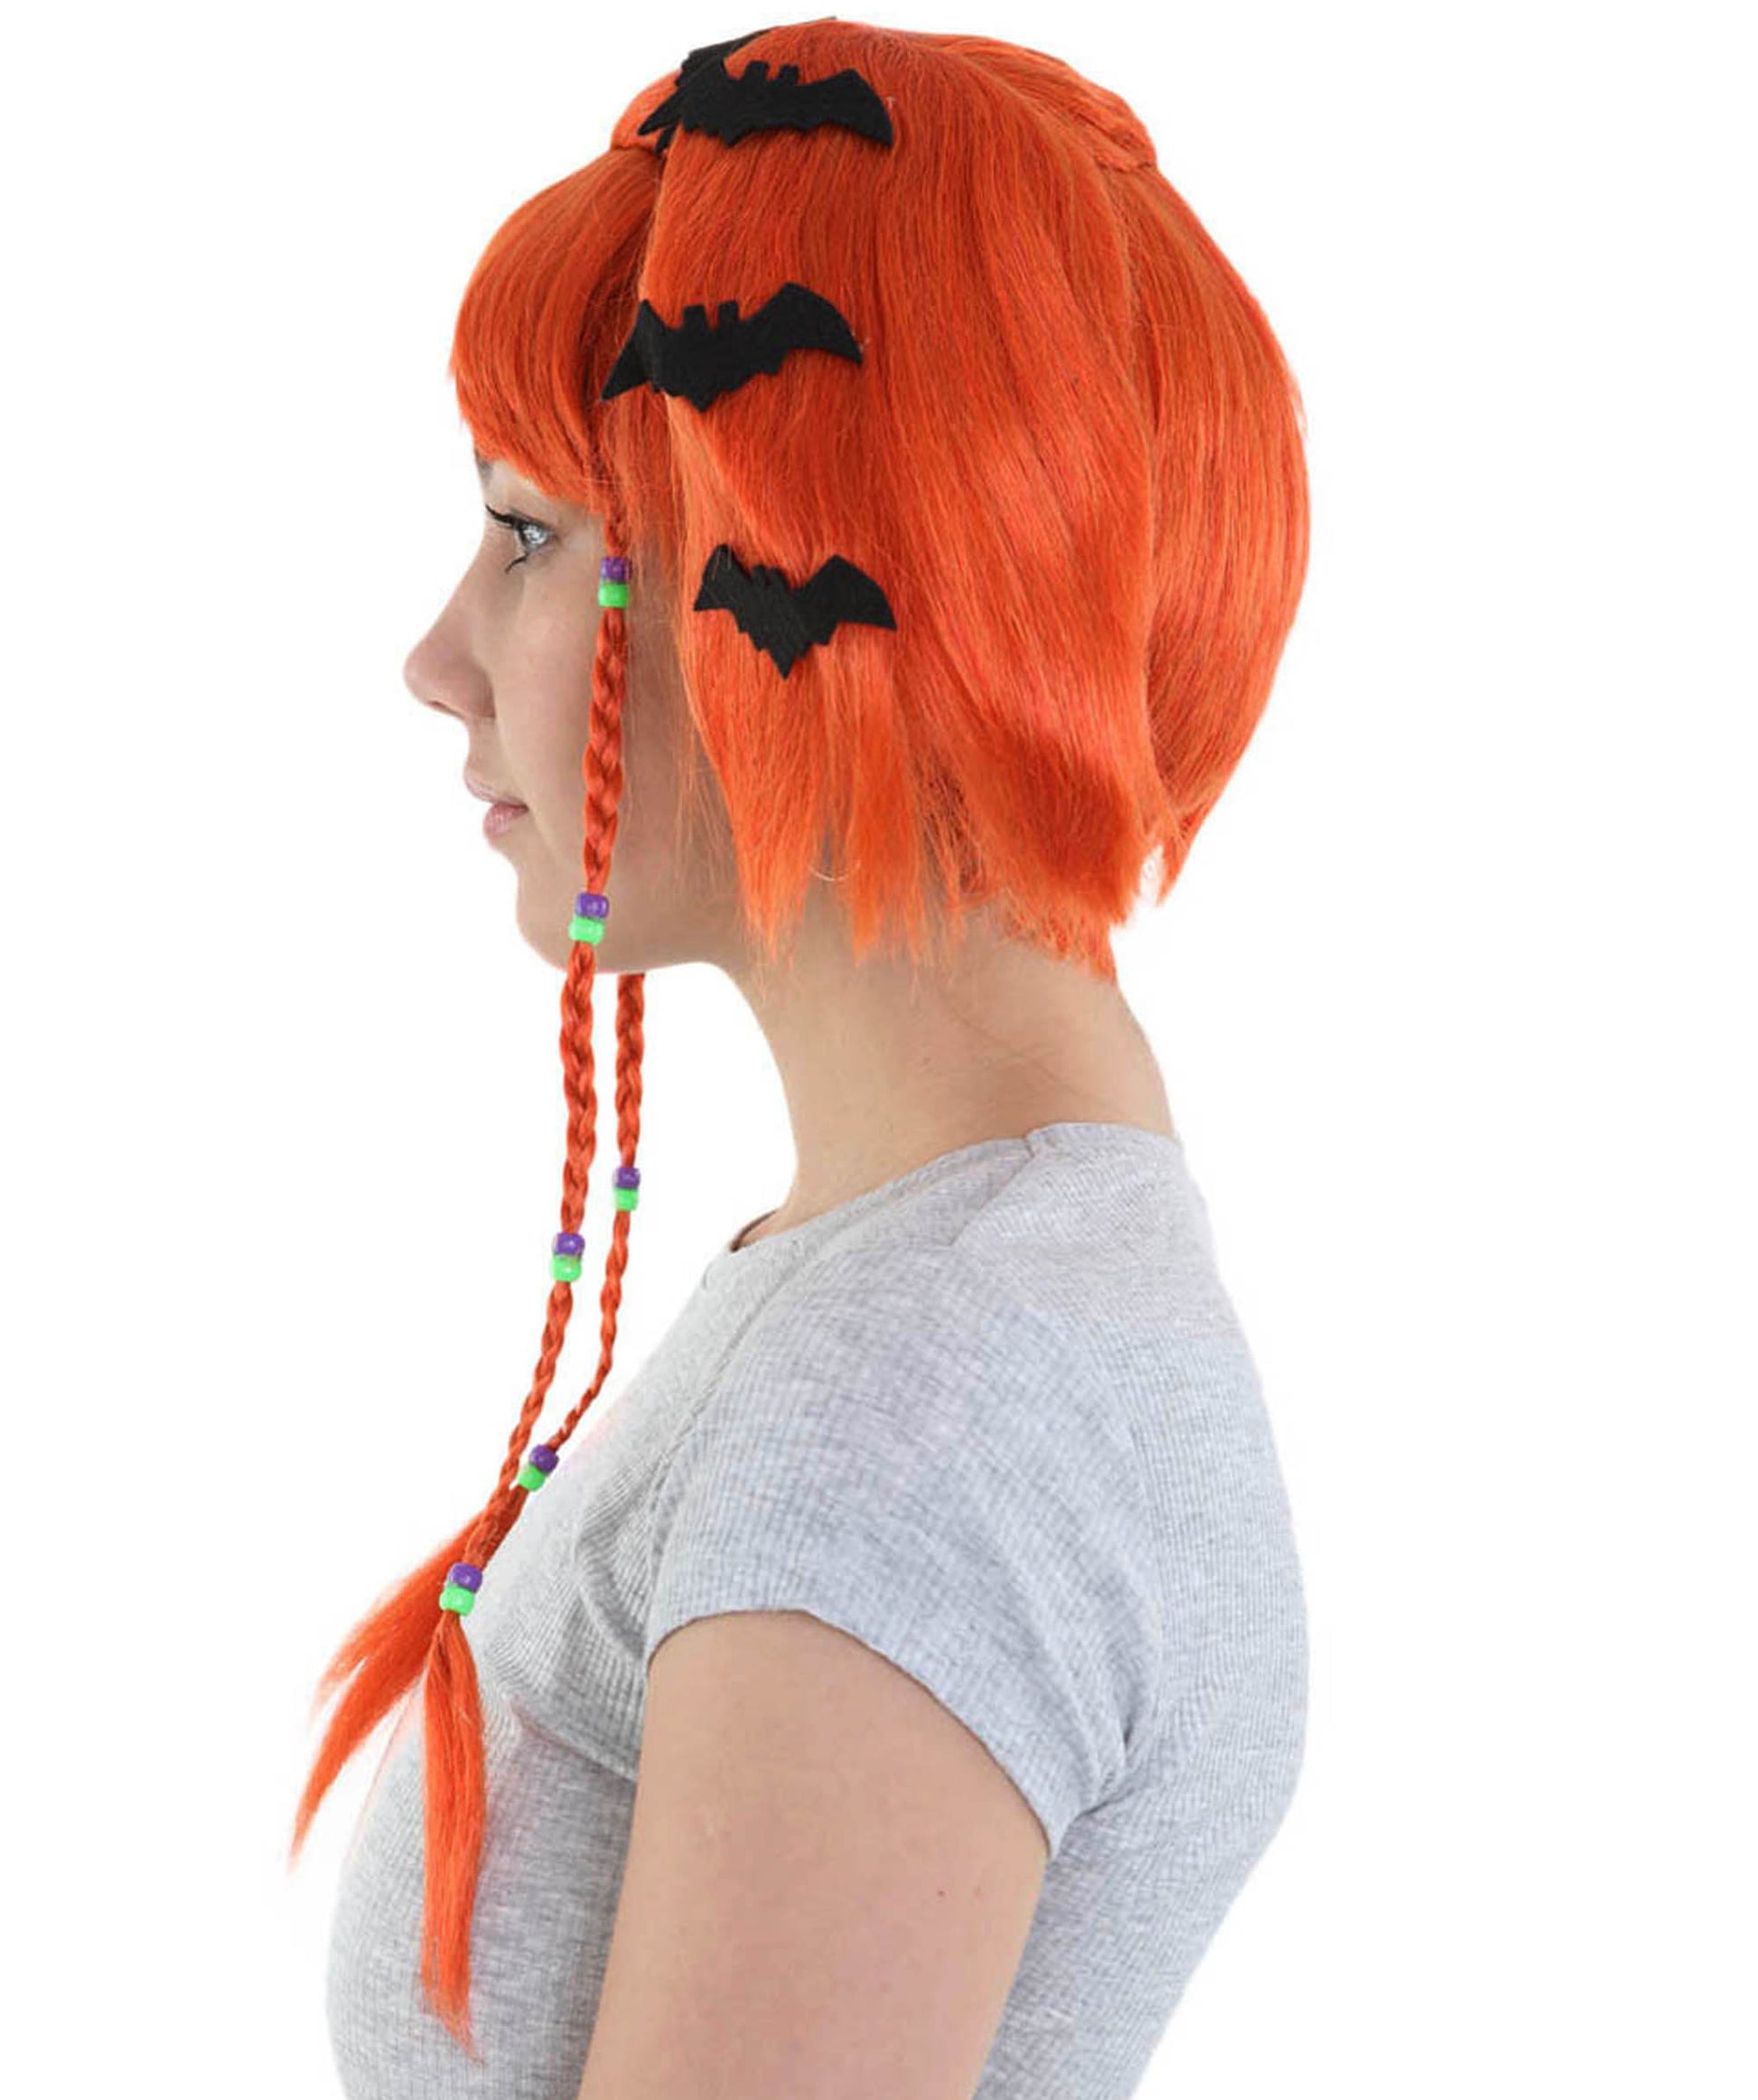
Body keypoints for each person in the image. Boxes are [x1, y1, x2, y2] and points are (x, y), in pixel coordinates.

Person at [292, 20, 1312, 2097]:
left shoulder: (924, 1401)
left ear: (816, 598)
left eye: (524, 533)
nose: (434, 658)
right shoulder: (955, 1289)